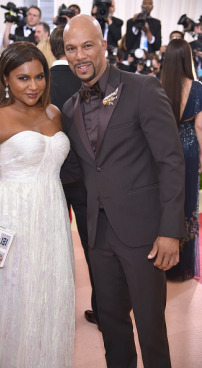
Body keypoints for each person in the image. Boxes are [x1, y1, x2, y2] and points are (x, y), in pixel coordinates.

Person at [61, 14, 185, 368]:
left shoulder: (142, 87)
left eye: (87, 45)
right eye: (71, 48)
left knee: (150, 328)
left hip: (145, 235)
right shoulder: (69, 109)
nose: (80, 55)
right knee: (111, 326)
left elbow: (171, 161)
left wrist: (169, 231)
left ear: (104, 45)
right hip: (98, 237)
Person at [0, 41, 75, 367]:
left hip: (52, 218)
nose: (34, 86)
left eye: (39, 77)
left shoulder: (53, 113)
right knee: (13, 301)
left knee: (48, 296)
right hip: (11, 219)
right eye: (23, 78)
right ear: (6, 78)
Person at [49, 24, 99, 327]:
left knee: (50, 244)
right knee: (95, 247)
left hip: (50, 178)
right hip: (86, 178)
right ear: (66, 48)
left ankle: (50, 313)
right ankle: (105, 310)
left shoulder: (39, 83)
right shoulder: (89, 80)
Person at [161, 39, 202, 282]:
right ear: (187, 58)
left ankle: (162, 260)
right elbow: (199, 126)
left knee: (166, 200)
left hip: (165, 149)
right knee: (187, 201)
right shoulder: (197, 88)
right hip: (187, 150)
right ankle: (183, 264)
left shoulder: (158, 86)